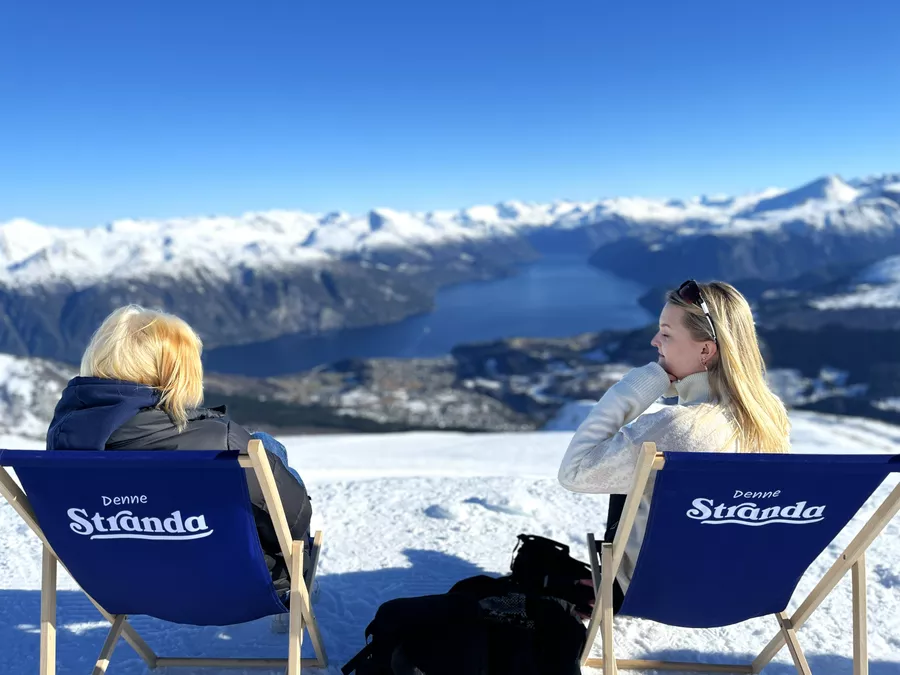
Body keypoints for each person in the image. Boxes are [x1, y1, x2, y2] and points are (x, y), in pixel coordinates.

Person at [46, 305, 313, 596]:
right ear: (176, 372)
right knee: (262, 446)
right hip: (230, 582)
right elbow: (294, 520)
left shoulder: (64, 438)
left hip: (122, 582)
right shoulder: (220, 441)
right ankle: (292, 594)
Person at [558, 279, 791, 611]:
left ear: (705, 350)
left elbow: (574, 473)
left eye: (666, 334)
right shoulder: (769, 417)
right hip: (738, 588)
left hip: (652, 592)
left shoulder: (678, 427)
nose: (655, 341)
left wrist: (631, 390)